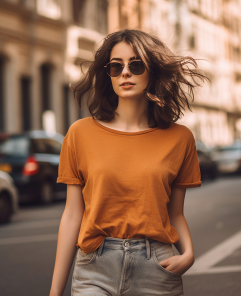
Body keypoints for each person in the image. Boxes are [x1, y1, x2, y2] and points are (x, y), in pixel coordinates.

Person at [49, 29, 208, 296]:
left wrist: (189, 253)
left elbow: (175, 213)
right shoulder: (79, 133)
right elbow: (73, 215)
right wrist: (54, 292)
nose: (125, 72)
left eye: (136, 65)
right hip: (94, 268)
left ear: (153, 71)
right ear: (107, 73)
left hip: (156, 269)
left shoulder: (180, 138)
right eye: (115, 66)